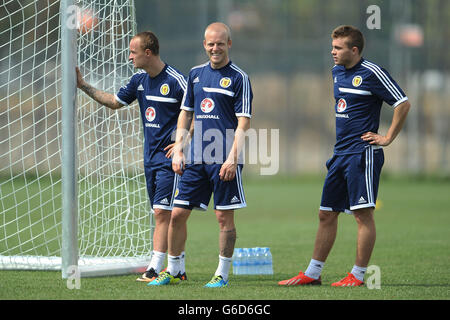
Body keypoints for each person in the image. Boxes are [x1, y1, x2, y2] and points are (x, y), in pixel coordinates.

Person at [279, 25, 411, 287]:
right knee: (326, 214)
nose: (333, 52)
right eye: (333, 47)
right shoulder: (337, 72)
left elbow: (403, 103)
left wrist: (387, 138)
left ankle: (358, 275)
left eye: (338, 48)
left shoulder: (373, 72)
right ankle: (313, 273)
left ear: (354, 50)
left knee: (363, 215)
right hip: (340, 154)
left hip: (362, 155)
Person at [76, 31, 189, 283]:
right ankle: (178, 268)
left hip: (170, 161)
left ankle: (155, 267)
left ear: (148, 53)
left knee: (163, 213)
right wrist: (83, 85)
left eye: (133, 52)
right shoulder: (138, 79)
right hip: (149, 159)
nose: (129, 57)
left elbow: (193, 113)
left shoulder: (176, 80)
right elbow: (114, 102)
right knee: (162, 213)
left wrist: (182, 143)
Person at [148, 22, 253, 288]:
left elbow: (243, 123)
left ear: (229, 44)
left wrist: (232, 158)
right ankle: (173, 270)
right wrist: (179, 149)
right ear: (204, 45)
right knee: (177, 214)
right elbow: (186, 114)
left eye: (220, 43)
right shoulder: (195, 74)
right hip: (195, 157)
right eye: (210, 43)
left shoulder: (239, 78)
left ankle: (222, 273)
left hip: (223, 157)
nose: (215, 48)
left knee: (223, 217)